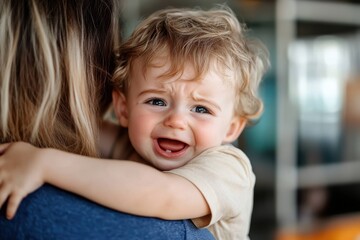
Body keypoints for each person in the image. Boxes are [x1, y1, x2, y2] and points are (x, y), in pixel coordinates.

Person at [0, 5, 269, 240]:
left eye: (200, 108)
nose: (176, 121)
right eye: (156, 101)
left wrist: (44, 163)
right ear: (123, 109)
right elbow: (63, 126)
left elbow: (162, 194)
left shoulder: (229, 169)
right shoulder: (132, 142)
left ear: (232, 127)